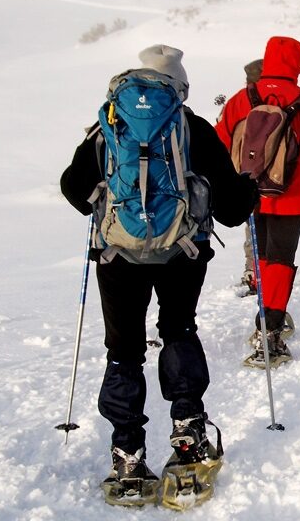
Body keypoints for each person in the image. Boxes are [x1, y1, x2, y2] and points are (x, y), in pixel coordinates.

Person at [60, 45, 257, 496]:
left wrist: (107, 206)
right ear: (179, 86)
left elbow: (73, 186)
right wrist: (246, 191)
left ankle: (127, 454)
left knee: (123, 348)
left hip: (117, 256)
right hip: (182, 253)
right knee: (178, 331)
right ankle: (188, 436)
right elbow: (229, 211)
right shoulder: (192, 128)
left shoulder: (108, 125)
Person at [215, 37, 300, 365]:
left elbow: (220, 141)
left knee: (265, 257)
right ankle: (269, 333)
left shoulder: (243, 98)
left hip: (250, 192)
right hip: (291, 195)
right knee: (281, 260)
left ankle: (268, 319)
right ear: (298, 65)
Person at [238, 58, 263, 296]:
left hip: (244, 176)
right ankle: (269, 271)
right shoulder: (281, 99)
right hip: (277, 180)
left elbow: (222, 138)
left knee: (252, 226)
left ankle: (252, 271)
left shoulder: (238, 102)